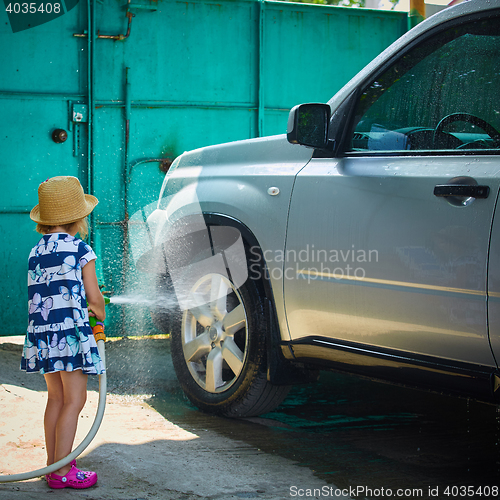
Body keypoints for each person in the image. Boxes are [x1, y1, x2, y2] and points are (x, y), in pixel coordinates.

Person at [20, 176, 106, 489]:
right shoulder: (81, 250)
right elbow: (94, 297)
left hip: (43, 336)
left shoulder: (35, 252)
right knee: (75, 400)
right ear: (78, 218)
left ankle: (51, 466)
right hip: (69, 336)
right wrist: (101, 313)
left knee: (55, 398)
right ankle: (64, 470)